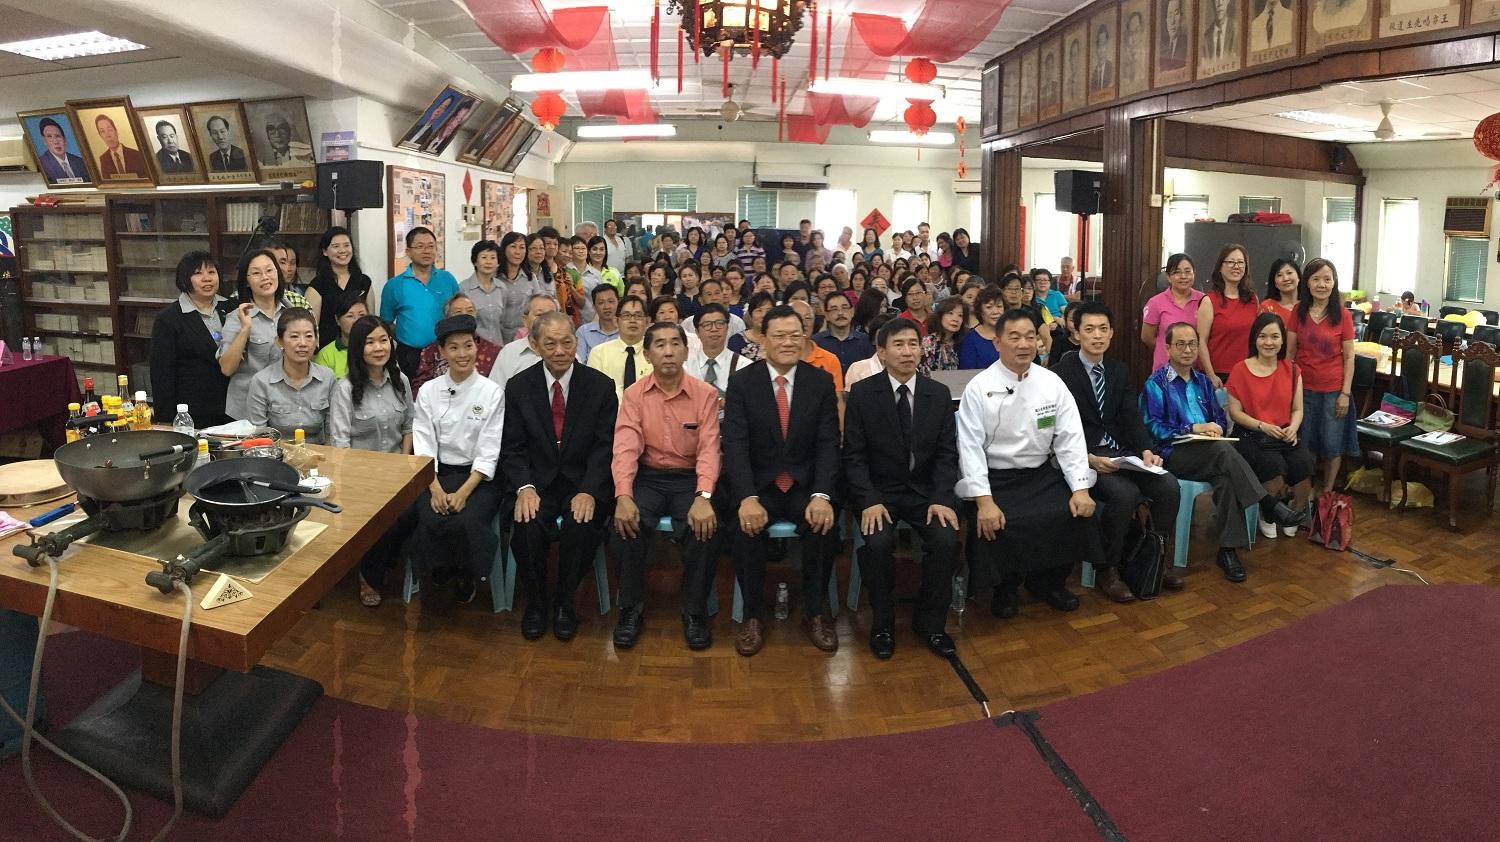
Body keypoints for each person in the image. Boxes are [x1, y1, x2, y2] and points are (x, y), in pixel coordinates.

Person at [956, 309, 1098, 619]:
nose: (1023, 344)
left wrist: (1080, 487)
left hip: (1039, 473)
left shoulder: (1052, 383)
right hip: (995, 477)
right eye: (1014, 337)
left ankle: (1049, 583)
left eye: (1030, 337)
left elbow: (1070, 438)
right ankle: (1005, 588)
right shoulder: (979, 387)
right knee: (998, 521)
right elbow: (969, 449)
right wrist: (984, 501)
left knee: (1070, 511)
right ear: (997, 343)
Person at [1141, 322, 1307, 582]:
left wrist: (1216, 428)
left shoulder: (1204, 382)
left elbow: (1219, 417)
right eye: (1180, 344)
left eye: (1192, 344)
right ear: (1168, 348)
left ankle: (1227, 550)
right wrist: (1193, 427)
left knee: (1227, 475)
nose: (1187, 350)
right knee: (1223, 452)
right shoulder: (1156, 383)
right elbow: (1153, 427)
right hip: (1174, 453)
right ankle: (1267, 502)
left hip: (1211, 452)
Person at [723, 305, 842, 656]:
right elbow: (736, 443)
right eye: (779, 335)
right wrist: (746, 495)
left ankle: (816, 612)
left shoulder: (819, 381)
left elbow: (827, 443)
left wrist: (822, 494)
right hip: (759, 485)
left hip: (805, 484)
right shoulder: (743, 383)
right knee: (745, 527)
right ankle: (752, 616)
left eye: (795, 335)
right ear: (762, 339)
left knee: (823, 526)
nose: (788, 342)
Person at [844, 318, 960, 659]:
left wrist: (941, 497)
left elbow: (946, 454)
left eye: (914, 344)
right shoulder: (863, 394)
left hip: (924, 491)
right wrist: (867, 500)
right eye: (898, 344)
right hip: (879, 492)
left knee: (945, 538)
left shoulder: (936, 393)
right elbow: (853, 456)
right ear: (881, 351)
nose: (908, 352)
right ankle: (883, 622)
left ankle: (931, 622)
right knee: (877, 543)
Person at [1054, 302, 1182, 601]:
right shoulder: (1061, 373)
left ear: (1111, 333)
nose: (1097, 336)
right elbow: (1055, 430)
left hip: (1120, 452)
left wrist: (1146, 450)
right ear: (1076, 333)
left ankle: (1154, 558)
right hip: (1084, 456)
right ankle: (1107, 569)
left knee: (1168, 485)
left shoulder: (1118, 370)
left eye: (1103, 329)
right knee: (1124, 495)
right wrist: (1088, 459)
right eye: (1089, 329)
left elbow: (1131, 417)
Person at [502, 311, 618, 642]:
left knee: (582, 525)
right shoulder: (519, 387)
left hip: (581, 481)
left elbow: (604, 447)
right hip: (536, 482)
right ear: (535, 345)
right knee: (525, 525)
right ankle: (537, 602)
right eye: (550, 343)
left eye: (567, 342)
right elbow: (512, 447)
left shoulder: (599, 386)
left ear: (576, 342)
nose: (560, 350)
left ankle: (566, 602)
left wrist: (591, 490)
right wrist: (524, 486)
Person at [611, 321, 722, 650]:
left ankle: (694, 610)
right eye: (660, 344)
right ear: (647, 354)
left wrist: (704, 495)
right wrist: (623, 494)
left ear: (687, 351)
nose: (669, 351)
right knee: (625, 525)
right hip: (649, 476)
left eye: (676, 343)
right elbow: (626, 447)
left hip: (689, 477)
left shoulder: (706, 394)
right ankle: (631, 608)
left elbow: (709, 449)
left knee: (704, 528)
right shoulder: (634, 395)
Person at [410, 314, 506, 604]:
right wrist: (435, 487)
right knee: (429, 514)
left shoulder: (491, 392)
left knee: (467, 518)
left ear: (477, 347)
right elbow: (423, 441)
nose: (462, 354)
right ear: (441, 352)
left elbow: (490, 447)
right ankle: (441, 566)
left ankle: (468, 572)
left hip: (479, 478)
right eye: (453, 348)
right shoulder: (428, 391)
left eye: (468, 346)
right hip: (436, 474)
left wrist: (464, 491)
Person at [328, 315, 415, 607]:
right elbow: (340, 443)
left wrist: (403, 468)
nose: (379, 348)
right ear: (357, 348)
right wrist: (361, 481)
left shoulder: (400, 381)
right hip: (360, 479)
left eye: (383, 340)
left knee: (414, 514)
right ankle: (370, 575)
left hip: (397, 472)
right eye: (370, 342)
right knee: (382, 521)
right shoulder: (345, 389)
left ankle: (383, 563)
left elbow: (408, 427)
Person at [1226, 312, 1315, 539]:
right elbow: (1235, 413)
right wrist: (1262, 426)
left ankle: (1295, 511)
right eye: (1263, 336)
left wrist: (1293, 427)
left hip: (1283, 434)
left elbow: (1297, 409)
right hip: (1250, 436)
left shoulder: (1293, 369)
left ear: (1283, 340)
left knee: (1304, 462)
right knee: (1273, 465)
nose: (1269, 342)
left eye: (1275, 336)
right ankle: (1269, 513)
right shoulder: (1240, 369)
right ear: (1254, 339)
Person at [1289, 258, 1358, 495]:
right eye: (1316, 279)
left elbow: (1349, 357)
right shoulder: (1298, 312)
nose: (1322, 284)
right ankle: (1304, 492)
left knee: (1332, 445)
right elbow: (1290, 354)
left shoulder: (1343, 316)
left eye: (1327, 279)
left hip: (1333, 391)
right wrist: (1288, 390)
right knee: (1304, 443)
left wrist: (1345, 394)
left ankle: (1327, 492)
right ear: (1307, 283)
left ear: (1334, 282)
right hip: (1303, 390)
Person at [150, 251, 231, 428]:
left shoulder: (231, 308)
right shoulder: (169, 319)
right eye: (198, 273)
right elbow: (162, 376)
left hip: (233, 410)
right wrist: (166, 421)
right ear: (184, 279)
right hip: (193, 413)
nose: (207, 278)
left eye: (211, 272)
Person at [218, 249, 290, 420]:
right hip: (246, 411)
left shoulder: (292, 314)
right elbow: (226, 368)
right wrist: (245, 330)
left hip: (285, 407)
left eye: (269, 270)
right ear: (247, 282)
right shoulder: (237, 317)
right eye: (256, 273)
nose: (265, 277)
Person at [380, 227, 460, 379]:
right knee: (412, 396)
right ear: (408, 252)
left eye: (431, 246)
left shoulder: (447, 279)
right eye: (420, 246)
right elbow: (386, 323)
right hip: (410, 355)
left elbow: (458, 311)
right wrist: (407, 336)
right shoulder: (395, 285)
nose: (426, 251)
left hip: (445, 351)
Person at [246, 308, 334, 443]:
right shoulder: (261, 381)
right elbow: (259, 437)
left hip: (319, 456)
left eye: (309, 336)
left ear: (316, 340)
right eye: (294, 336)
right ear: (279, 341)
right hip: (277, 457)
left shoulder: (327, 377)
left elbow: (332, 432)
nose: (303, 343)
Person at [1197, 244, 1258, 387]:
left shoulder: (1252, 299)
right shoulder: (1209, 300)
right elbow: (1201, 341)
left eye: (1240, 262)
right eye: (1230, 262)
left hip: (1246, 372)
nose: (1236, 266)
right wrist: (1211, 375)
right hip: (1217, 375)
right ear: (1220, 266)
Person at [412, 294, 501, 393]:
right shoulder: (431, 350)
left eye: (470, 311)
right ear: (448, 316)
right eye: (458, 312)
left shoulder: (493, 351)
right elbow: (420, 386)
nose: (465, 315)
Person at [307, 226, 372, 346]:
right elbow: (311, 327)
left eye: (346, 245)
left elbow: (371, 321)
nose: (342, 250)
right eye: (336, 246)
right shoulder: (318, 285)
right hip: (328, 350)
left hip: (360, 348)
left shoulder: (364, 282)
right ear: (325, 251)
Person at [1141, 253, 1205, 370]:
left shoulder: (1203, 301)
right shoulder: (1156, 302)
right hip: (1164, 368)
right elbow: (1147, 337)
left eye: (1187, 271)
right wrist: (1170, 348)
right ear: (1168, 277)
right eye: (1177, 272)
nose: (1183, 276)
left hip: (1195, 369)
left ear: (1194, 274)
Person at [586, 294, 652, 397]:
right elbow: (593, 393)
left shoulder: (655, 353)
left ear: (647, 321)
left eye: (638, 316)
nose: (632, 320)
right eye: (626, 315)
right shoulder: (599, 353)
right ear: (616, 321)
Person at [490, 294, 558, 388]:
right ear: (525, 321)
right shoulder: (509, 352)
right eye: (539, 315)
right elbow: (496, 392)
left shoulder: (568, 353)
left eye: (551, 315)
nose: (546, 320)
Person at [684, 302, 749, 396]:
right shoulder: (685, 366)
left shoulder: (744, 366)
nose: (714, 329)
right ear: (697, 332)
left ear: (727, 329)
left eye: (720, 323)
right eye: (707, 325)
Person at [460, 239, 507, 345]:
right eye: (484, 257)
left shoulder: (502, 288)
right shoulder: (464, 289)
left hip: (497, 348)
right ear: (475, 261)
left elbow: (503, 323)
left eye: (493, 258)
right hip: (474, 349)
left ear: (498, 262)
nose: (488, 262)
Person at [791, 299, 845, 392]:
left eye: (808, 318)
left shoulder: (830, 360)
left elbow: (837, 401)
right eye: (798, 318)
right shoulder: (780, 358)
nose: (804, 323)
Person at [813, 291, 873, 373]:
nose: (840, 313)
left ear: (852, 312)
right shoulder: (816, 342)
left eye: (844, 308)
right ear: (826, 315)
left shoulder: (865, 341)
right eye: (834, 309)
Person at [313, 292, 367, 379]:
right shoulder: (326, 355)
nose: (356, 321)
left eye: (362, 315)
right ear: (337, 320)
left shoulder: (376, 348)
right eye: (350, 316)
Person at [960, 286, 1007, 370]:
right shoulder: (970, 339)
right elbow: (966, 374)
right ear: (980, 311)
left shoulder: (1011, 334)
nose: (995, 312)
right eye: (989, 307)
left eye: (999, 306)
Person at [93, 113, 147, 179]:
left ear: (116, 131)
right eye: (102, 131)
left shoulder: (136, 154)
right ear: (100, 136)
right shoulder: (103, 159)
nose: (108, 135)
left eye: (109, 130)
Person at [576, 284, 621, 363]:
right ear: (594, 307)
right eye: (601, 303)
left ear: (619, 303)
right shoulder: (583, 332)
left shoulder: (626, 331)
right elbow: (580, 363)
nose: (607, 307)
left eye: (611, 301)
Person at [921, 297, 967, 374]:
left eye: (960, 315)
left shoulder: (962, 343)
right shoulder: (928, 342)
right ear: (940, 316)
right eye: (950, 313)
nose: (955, 319)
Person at [35, 117, 88, 182]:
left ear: (64, 140)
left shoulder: (81, 162)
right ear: (45, 141)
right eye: (49, 136)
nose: (55, 141)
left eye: (58, 136)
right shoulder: (41, 164)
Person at [728, 291, 776, 362]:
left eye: (768, 311)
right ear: (750, 315)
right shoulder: (736, 341)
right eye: (759, 310)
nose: (764, 315)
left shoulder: (780, 340)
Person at [1261, 258, 1301, 325]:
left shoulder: (1309, 306)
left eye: (1289, 273)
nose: (1285, 278)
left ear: (1298, 277)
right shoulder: (1267, 308)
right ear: (1275, 283)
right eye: (1279, 275)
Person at [1159, 0, 1188, 70]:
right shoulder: (1161, 49)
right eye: (1169, 16)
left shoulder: (1187, 44)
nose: (1172, 21)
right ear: (1166, 20)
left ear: (1182, 17)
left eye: (1176, 14)